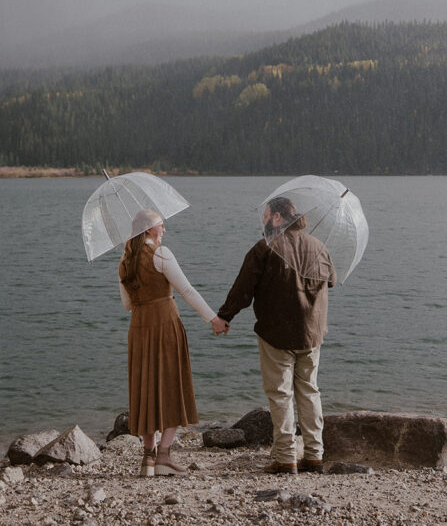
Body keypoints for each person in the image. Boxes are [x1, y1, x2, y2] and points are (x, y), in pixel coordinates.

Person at [216, 196, 336, 474]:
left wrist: (224, 317)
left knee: (281, 395)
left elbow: (242, 291)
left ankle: (285, 459)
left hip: (277, 334)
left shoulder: (265, 248)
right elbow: (330, 281)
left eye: (267, 216)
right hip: (312, 333)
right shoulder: (319, 247)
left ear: (279, 217)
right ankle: (315, 455)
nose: (264, 220)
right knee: (309, 392)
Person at [119, 208, 230, 477]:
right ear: (147, 230)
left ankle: (148, 457)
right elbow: (186, 290)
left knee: (146, 388)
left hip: (139, 327)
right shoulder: (161, 253)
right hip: (165, 323)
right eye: (161, 225)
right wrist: (213, 319)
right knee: (171, 385)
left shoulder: (124, 262)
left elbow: (126, 304)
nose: (164, 230)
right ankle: (165, 457)